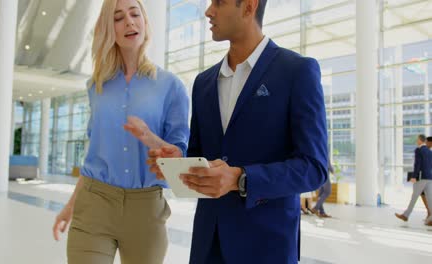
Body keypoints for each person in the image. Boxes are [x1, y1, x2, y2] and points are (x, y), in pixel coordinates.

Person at [127, 1, 328, 262]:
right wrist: (180, 162)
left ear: (248, 7)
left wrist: (241, 178)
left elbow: (314, 168)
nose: (209, 11)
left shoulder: (297, 71)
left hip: (267, 246)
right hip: (208, 244)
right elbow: (205, 159)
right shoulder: (203, 83)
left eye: (218, 2)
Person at [51, 1, 189, 263]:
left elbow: (178, 160)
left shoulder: (171, 86)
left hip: (146, 210)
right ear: (108, 29)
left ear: (145, 22)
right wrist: (70, 208)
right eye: (118, 17)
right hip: (94, 204)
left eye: (135, 14)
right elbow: (94, 156)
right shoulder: (96, 86)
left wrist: (150, 138)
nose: (129, 21)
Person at [395, 134, 432, 226]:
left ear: (420, 140)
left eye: (417, 139)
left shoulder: (418, 150)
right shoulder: (429, 151)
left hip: (421, 177)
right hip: (429, 177)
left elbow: (417, 164)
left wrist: (414, 176)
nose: (416, 141)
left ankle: (405, 215)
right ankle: (430, 218)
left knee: (414, 197)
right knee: (430, 198)